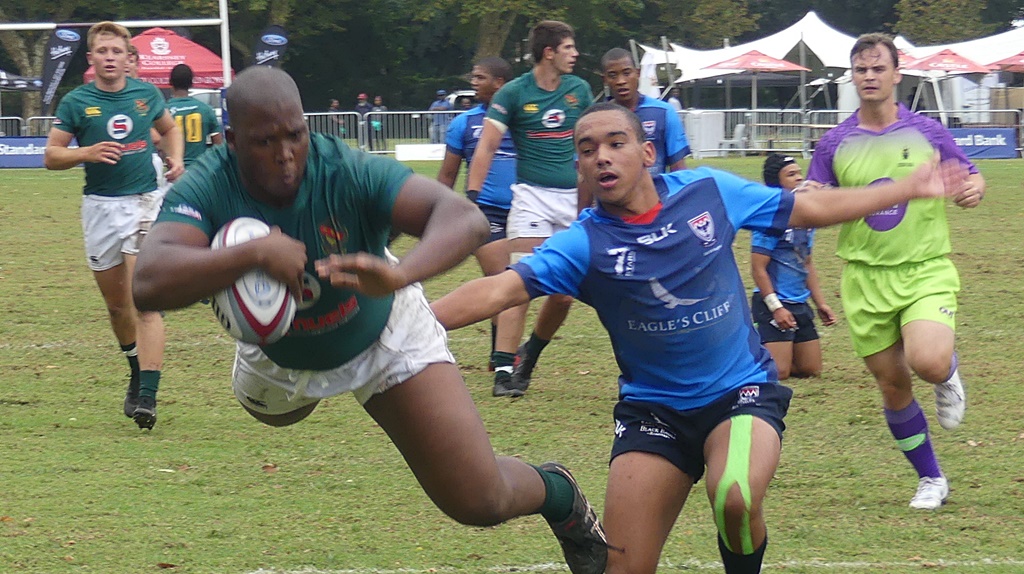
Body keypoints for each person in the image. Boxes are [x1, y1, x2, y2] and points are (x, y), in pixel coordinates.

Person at [431, 102, 969, 574]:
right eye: (587, 148)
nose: (601, 156)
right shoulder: (584, 244)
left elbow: (812, 208)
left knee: (734, 496)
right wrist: (418, 321)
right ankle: (565, 497)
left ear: (647, 153)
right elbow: (500, 290)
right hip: (653, 413)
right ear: (580, 166)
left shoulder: (709, 191)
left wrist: (908, 186)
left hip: (740, 394)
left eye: (616, 143)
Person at [131, 66, 608, 574]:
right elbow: (149, 280)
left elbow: (463, 219)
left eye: (295, 134)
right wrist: (250, 255)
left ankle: (561, 495)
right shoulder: (209, 182)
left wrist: (401, 276)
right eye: (264, 141)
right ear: (230, 141)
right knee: (276, 415)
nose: (286, 153)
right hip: (279, 355)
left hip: (383, 332)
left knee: (478, 500)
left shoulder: (343, 170)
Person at [807, 33, 985, 510]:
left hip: (924, 268)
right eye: (861, 69)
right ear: (852, 75)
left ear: (896, 74)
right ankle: (931, 479)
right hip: (864, 279)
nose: (869, 76)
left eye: (878, 68)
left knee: (925, 360)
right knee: (893, 385)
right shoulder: (835, 142)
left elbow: (969, 173)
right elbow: (814, 198)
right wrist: (807, 192)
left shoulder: (927, 131)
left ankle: (946, 371)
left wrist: (973, 188)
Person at [44, 21, 184, 430]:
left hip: (144, 204)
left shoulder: (145, 95)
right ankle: (135, 369)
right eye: (102, 51)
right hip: (100, 209)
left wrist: (175, 158)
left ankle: (148, 397)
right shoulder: (77, 102)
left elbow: (169, 128)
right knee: (117, 305)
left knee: (144, 301)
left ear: (128, 58)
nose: (109, 58)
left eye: (116, 51)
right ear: (91, 59)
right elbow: (52, 156)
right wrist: (85, 152)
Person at [464, 20, 594, 397]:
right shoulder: (516, 92)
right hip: (532, 198)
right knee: (520, 284)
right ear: (549, 53)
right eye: (569, 48)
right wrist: (472, 198)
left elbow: (593, 139)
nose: (575, 54)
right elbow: (487, 146)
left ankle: (530, 355)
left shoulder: (579, 90)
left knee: (564, 294)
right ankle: (504, 370)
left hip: (572, 202)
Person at [436, 57, 520, 392]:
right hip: (485, 213)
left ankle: (501, 352)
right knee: (502, 279)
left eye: (480, 77)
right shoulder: (464, 124)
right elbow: (446, 175)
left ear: (500, 84)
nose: (473, 82)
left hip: (527, 213)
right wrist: (435, 216)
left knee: (516, 284)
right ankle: (504, 360)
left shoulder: (522, 120)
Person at [750, 154, 836, 380]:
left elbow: (806, 262)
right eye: (791, 175)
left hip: (799, 302)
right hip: (773, 303)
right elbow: (758, 269)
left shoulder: (805, 218)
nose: (799, 178)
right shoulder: (769, 220)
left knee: (811, 369)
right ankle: (742, 364)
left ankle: (772, 354)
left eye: (799, 173)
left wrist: (821, 303)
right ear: (776, 183)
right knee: (780, 372)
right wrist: (776, 307)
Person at [601, 49, 689, 174]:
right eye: (613, 76)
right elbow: (585, 174)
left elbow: (679, 169)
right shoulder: (597, 118)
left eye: (626, 73)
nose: (621, 81)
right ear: (605, 79)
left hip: (656, 192)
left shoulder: (663, 112)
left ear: (638, 73)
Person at [167, 64, 223, 167]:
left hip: (173, 171)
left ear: (170, 83)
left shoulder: (164, 111)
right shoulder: (206, 110)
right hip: (199, 171)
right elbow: (218, 146)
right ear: (191, 83)